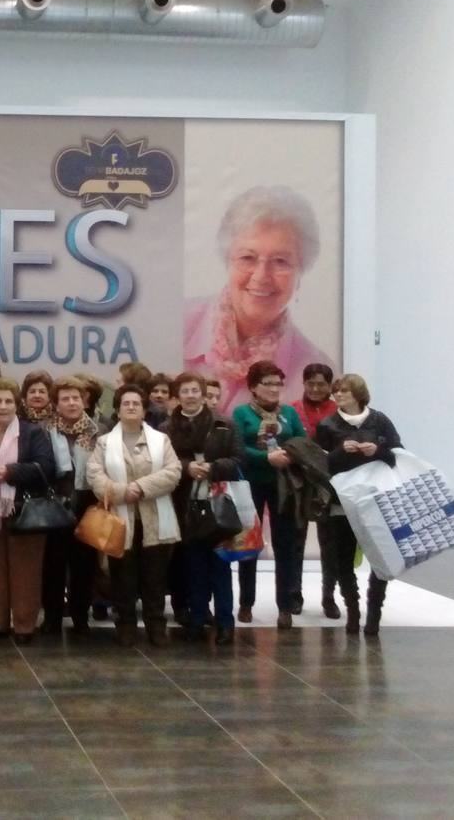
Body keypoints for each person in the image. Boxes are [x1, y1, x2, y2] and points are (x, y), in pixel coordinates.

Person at [184, 185, 335, 414]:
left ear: (301, 271)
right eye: (247, 257)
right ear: (227, 260)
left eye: (280, 261)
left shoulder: (315, 371)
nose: (261, 276)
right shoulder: (174, 325)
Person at [87, 384, 181, 647]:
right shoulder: (105, 443)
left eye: (136, 403)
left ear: (144, 410)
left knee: (155, 578)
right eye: (125, 403)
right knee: (122, 577)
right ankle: (125, 624)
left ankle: (155, 626)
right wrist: (120, 492)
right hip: (119, 520)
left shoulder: (161, 441)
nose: (130, 407)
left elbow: (173, 472)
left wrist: (140, 488)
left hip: (155, 520)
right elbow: (94, 475)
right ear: (117, 410)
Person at [0, 378, 55, 644]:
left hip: (23, 512)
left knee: (25, 571)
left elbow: (45, 468)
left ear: (17, 405)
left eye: (8, 401)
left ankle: (25, 626)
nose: (3, 406)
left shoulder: (32, 433)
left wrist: (9, 472)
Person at [316, 373, 402, 636]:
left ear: (358, 394)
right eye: (336, 391)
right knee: (342, 559)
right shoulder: (328, 424)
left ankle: (374, 612)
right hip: (342, 502)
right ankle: (352, 610)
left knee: (379, 556)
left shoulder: (379, 420)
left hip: (375, 500)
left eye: (344, 391)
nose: (338, 395)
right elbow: (319, 463)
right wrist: (341, 452)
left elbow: (398, 454)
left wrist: (377, 451)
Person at [164, 372, 244, 645]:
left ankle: (225, 623)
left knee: (220, 566)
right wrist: (187, 468)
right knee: (192, 567)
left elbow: (237, 461)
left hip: (218, 504)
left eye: (194, 390)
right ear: (177, 396)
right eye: (184, 391)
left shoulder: (224, 424)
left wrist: (212, 468)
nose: (190, 396)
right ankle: (196, 621)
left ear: (203, 393)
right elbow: (163, 463)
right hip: (183, 504)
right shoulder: (165, 428)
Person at [231, 360, 307, 629]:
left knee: (285, 544)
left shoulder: (290, 413)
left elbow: (301, 442)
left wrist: (289, 455)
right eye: (268, 383)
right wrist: (266, 458)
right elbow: (238, 449)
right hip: (251, 483)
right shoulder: (241, 414)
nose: (275, 389)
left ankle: (285, 606)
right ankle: (246, 602)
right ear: (253, 387)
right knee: (250, 544)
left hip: (284, 485)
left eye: (278, 383)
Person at [40, 376, 100, 635]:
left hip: (88, 503)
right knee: (53, 564)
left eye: (76, 398)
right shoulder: (44, 430)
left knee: (84, 565)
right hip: (55, 502)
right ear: (56, 404)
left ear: (84, 401)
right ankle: (52, 617)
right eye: (65, 399)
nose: (72, 403)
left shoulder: (100, 430)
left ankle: (80, 616)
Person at [291, 362, 340, 619]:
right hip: (298, 483)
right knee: (296, 542)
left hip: (328, 485)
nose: (316, 388)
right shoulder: (292, 410)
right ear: (304, 383)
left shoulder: (338, 411)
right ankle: (294, 596)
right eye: (311, 383)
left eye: (321, 384)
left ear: (330, 386)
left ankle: (328, 597)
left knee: (329, 544)